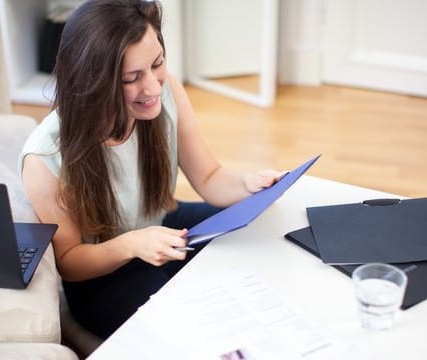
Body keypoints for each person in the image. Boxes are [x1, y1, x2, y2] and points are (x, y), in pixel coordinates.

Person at [18, 0, 282, 339]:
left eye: (157, 63)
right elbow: (69, 261)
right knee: (193, 324)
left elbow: (209, 177)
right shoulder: (44, 157)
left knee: (258, 231)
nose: (154, 87)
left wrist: (249, 184)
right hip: (104, 276)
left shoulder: (166, 89)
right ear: (92, 81)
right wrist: (132, 245)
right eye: (132, 78)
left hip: (161, 224)